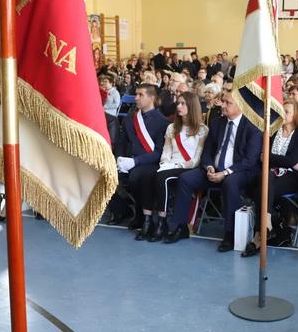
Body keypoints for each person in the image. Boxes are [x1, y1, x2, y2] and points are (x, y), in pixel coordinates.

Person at [164, 91, 262, 252]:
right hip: (214, 170)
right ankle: (181, 227)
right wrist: (209, 166)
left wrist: (226, 172)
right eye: (223, 101)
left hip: (240, 172)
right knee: (186, 179)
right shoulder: (217, 123)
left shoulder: (252, 126)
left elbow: (249, 161)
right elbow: (208, 151)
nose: (222, 105)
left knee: (230, 183)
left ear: (241, 106)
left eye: (228, 103)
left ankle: (230, 235)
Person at [132, 92, 209, 242]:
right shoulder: (171, 128)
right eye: (178, 103)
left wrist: (177, 165)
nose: (179, 106)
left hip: (187, 167)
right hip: (169, 164)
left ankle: (163, 222)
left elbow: (196, 159)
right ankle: (148, 221)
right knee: (147, 174)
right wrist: (165, 163)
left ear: (192, 106)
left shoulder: (202, 129)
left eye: (183, 104)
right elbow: (166, 151)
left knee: (162, 177)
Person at [242, 100, 298, 256]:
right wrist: (291, 163)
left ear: (297, 115)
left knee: (262, 187)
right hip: (269, 174)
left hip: (291, 178)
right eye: (281, 111)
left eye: (286, 112)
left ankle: (259, 235)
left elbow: (289, 159)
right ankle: (265, 226)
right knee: (266, 179)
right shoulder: (272, 131)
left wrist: (279, 160)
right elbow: (262, 157)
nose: (282, 114)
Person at [110, 83, 169, 227]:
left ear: (151, 98)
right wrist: (119, 158)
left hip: (149, 163)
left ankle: (141, 213)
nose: (136, 98)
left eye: (140, 95)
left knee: (136, 177)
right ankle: (122, 210)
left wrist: (135, 161)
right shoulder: (130, 118)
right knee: (104, 174)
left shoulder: (163, 122)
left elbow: (159, 152)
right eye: (136, 94)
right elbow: (121, 142)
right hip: (127, 161)